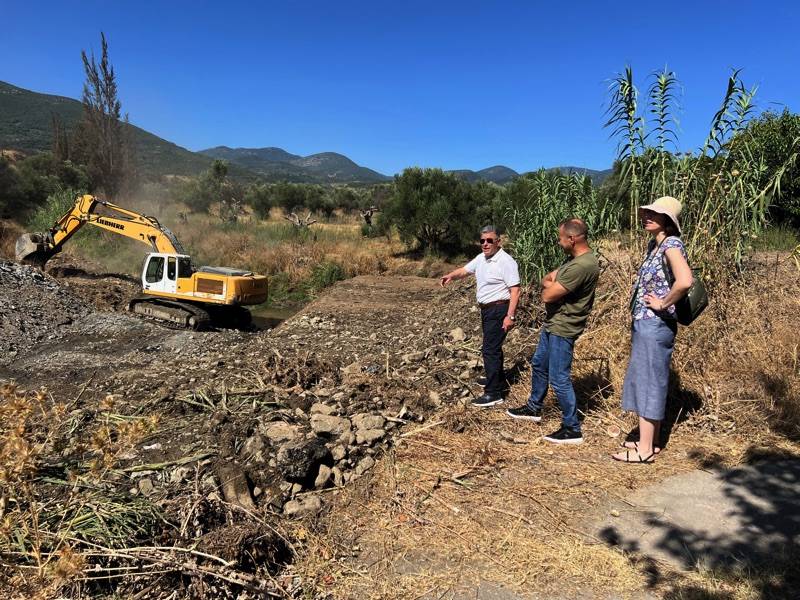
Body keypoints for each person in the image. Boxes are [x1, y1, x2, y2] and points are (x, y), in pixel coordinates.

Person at [613, 196, 692, 464]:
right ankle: (652, 440)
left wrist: (662, 303)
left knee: (648, 381)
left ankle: (644, 450)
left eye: (654, 214)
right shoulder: (654, 245)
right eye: (647, 212)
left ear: (667, 222)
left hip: (655, 322)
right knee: (648, 379)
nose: (647, 216)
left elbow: (685, 281)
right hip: (647, 322)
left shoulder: (670, 244)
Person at [505, 218, 599, 445]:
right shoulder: (574, 260)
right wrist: (552, 285)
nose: (558, 242)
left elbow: (547, 294)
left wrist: (552, 287)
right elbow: (546, 278)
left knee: (559, 378)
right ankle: (534, 407)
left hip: (564, 327)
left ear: (572, 239)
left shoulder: (582, 265)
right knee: (539, 363)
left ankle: (572, 427)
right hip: (553, 322)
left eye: (560, 238)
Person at [440, 225, 520, 407]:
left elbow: (515, 290)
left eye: (489, 240)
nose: (485, 244)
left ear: (498, 242)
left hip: (499, 309)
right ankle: (497, 378)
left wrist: (510, 316)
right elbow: (465, 270)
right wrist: (451, 276)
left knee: (489, 350)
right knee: (493, 347)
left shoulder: (506, 261)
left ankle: (493, 393)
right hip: (486, 310)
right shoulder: (482, 258)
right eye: (482, 241)